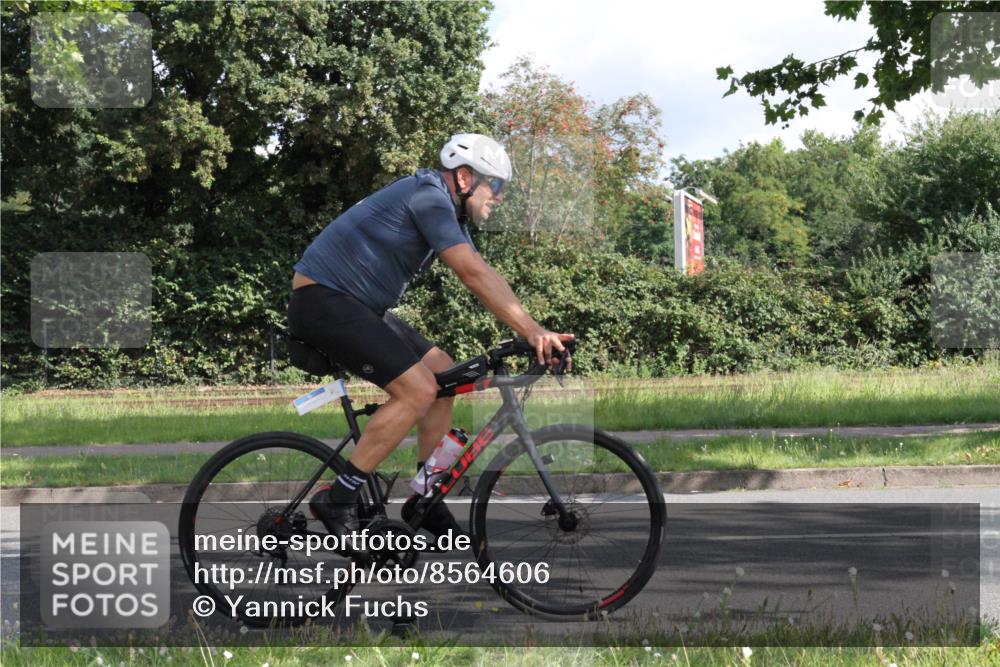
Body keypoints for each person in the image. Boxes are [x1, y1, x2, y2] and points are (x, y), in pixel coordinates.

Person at [287, 133, 574, 543]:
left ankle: (425, 497)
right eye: (495, 185)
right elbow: (470, 273)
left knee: (443, 373)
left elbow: (484, 272)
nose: (499, 197)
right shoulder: (429, 197)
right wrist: (531, 331)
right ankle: (339, 497)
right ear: (464, 177)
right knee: (418, 390)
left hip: (355, 305)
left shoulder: (441, 204)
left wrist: (533, 331)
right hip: (323, 300)